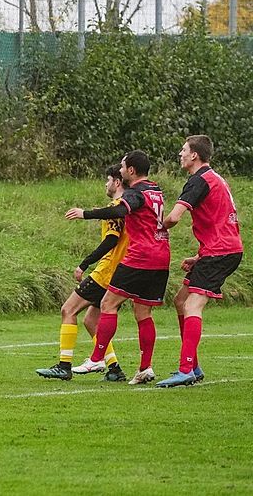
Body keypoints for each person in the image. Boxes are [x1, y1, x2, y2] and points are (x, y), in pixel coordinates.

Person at [65, 150, 170, 385]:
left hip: (140, 256)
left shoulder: (136, 193)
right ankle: (145, 368)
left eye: (122, 167)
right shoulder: (156, 190)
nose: (120, 171)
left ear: (131, 171)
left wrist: (86, 214)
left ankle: (96, 358)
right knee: (143, 313)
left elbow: (120, 210)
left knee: (107, 304)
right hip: (161, 256)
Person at [156, 135, 243, 388]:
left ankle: (185, 370)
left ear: (194, 155)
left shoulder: (198, 181)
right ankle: (192, 366)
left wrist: (155, 224)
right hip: (220, 249)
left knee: (193, 304)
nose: (180, 154)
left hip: (220, 251)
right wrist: (199, 256)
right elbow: (221, 220)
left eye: (183, 150)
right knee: (181, 300)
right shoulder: (215, 178)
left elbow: (173, 217)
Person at [36, 165, 129, 382]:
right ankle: (114, 368)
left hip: (105, 272)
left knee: (68, 309)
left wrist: (84, 263)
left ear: (117, 182)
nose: (105, 184)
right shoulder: (124, 207)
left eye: (108, 180)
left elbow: (111, 239)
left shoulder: (116, 206)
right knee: (91, 321)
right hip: (119, 272)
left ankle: (64, 365)